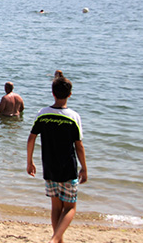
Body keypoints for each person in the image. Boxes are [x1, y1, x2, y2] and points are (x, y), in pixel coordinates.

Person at [27, 72, 88, 243]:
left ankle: (58, 240)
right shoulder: (73, 117)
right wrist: (84, 167)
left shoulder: (43, 113)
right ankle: (55, 239)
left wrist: (30, 162)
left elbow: (31, 138)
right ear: (70, 94)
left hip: (49, 167)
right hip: (68, 168)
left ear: (52, 93)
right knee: (70, 207)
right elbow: (79, 145)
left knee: (55, 206)